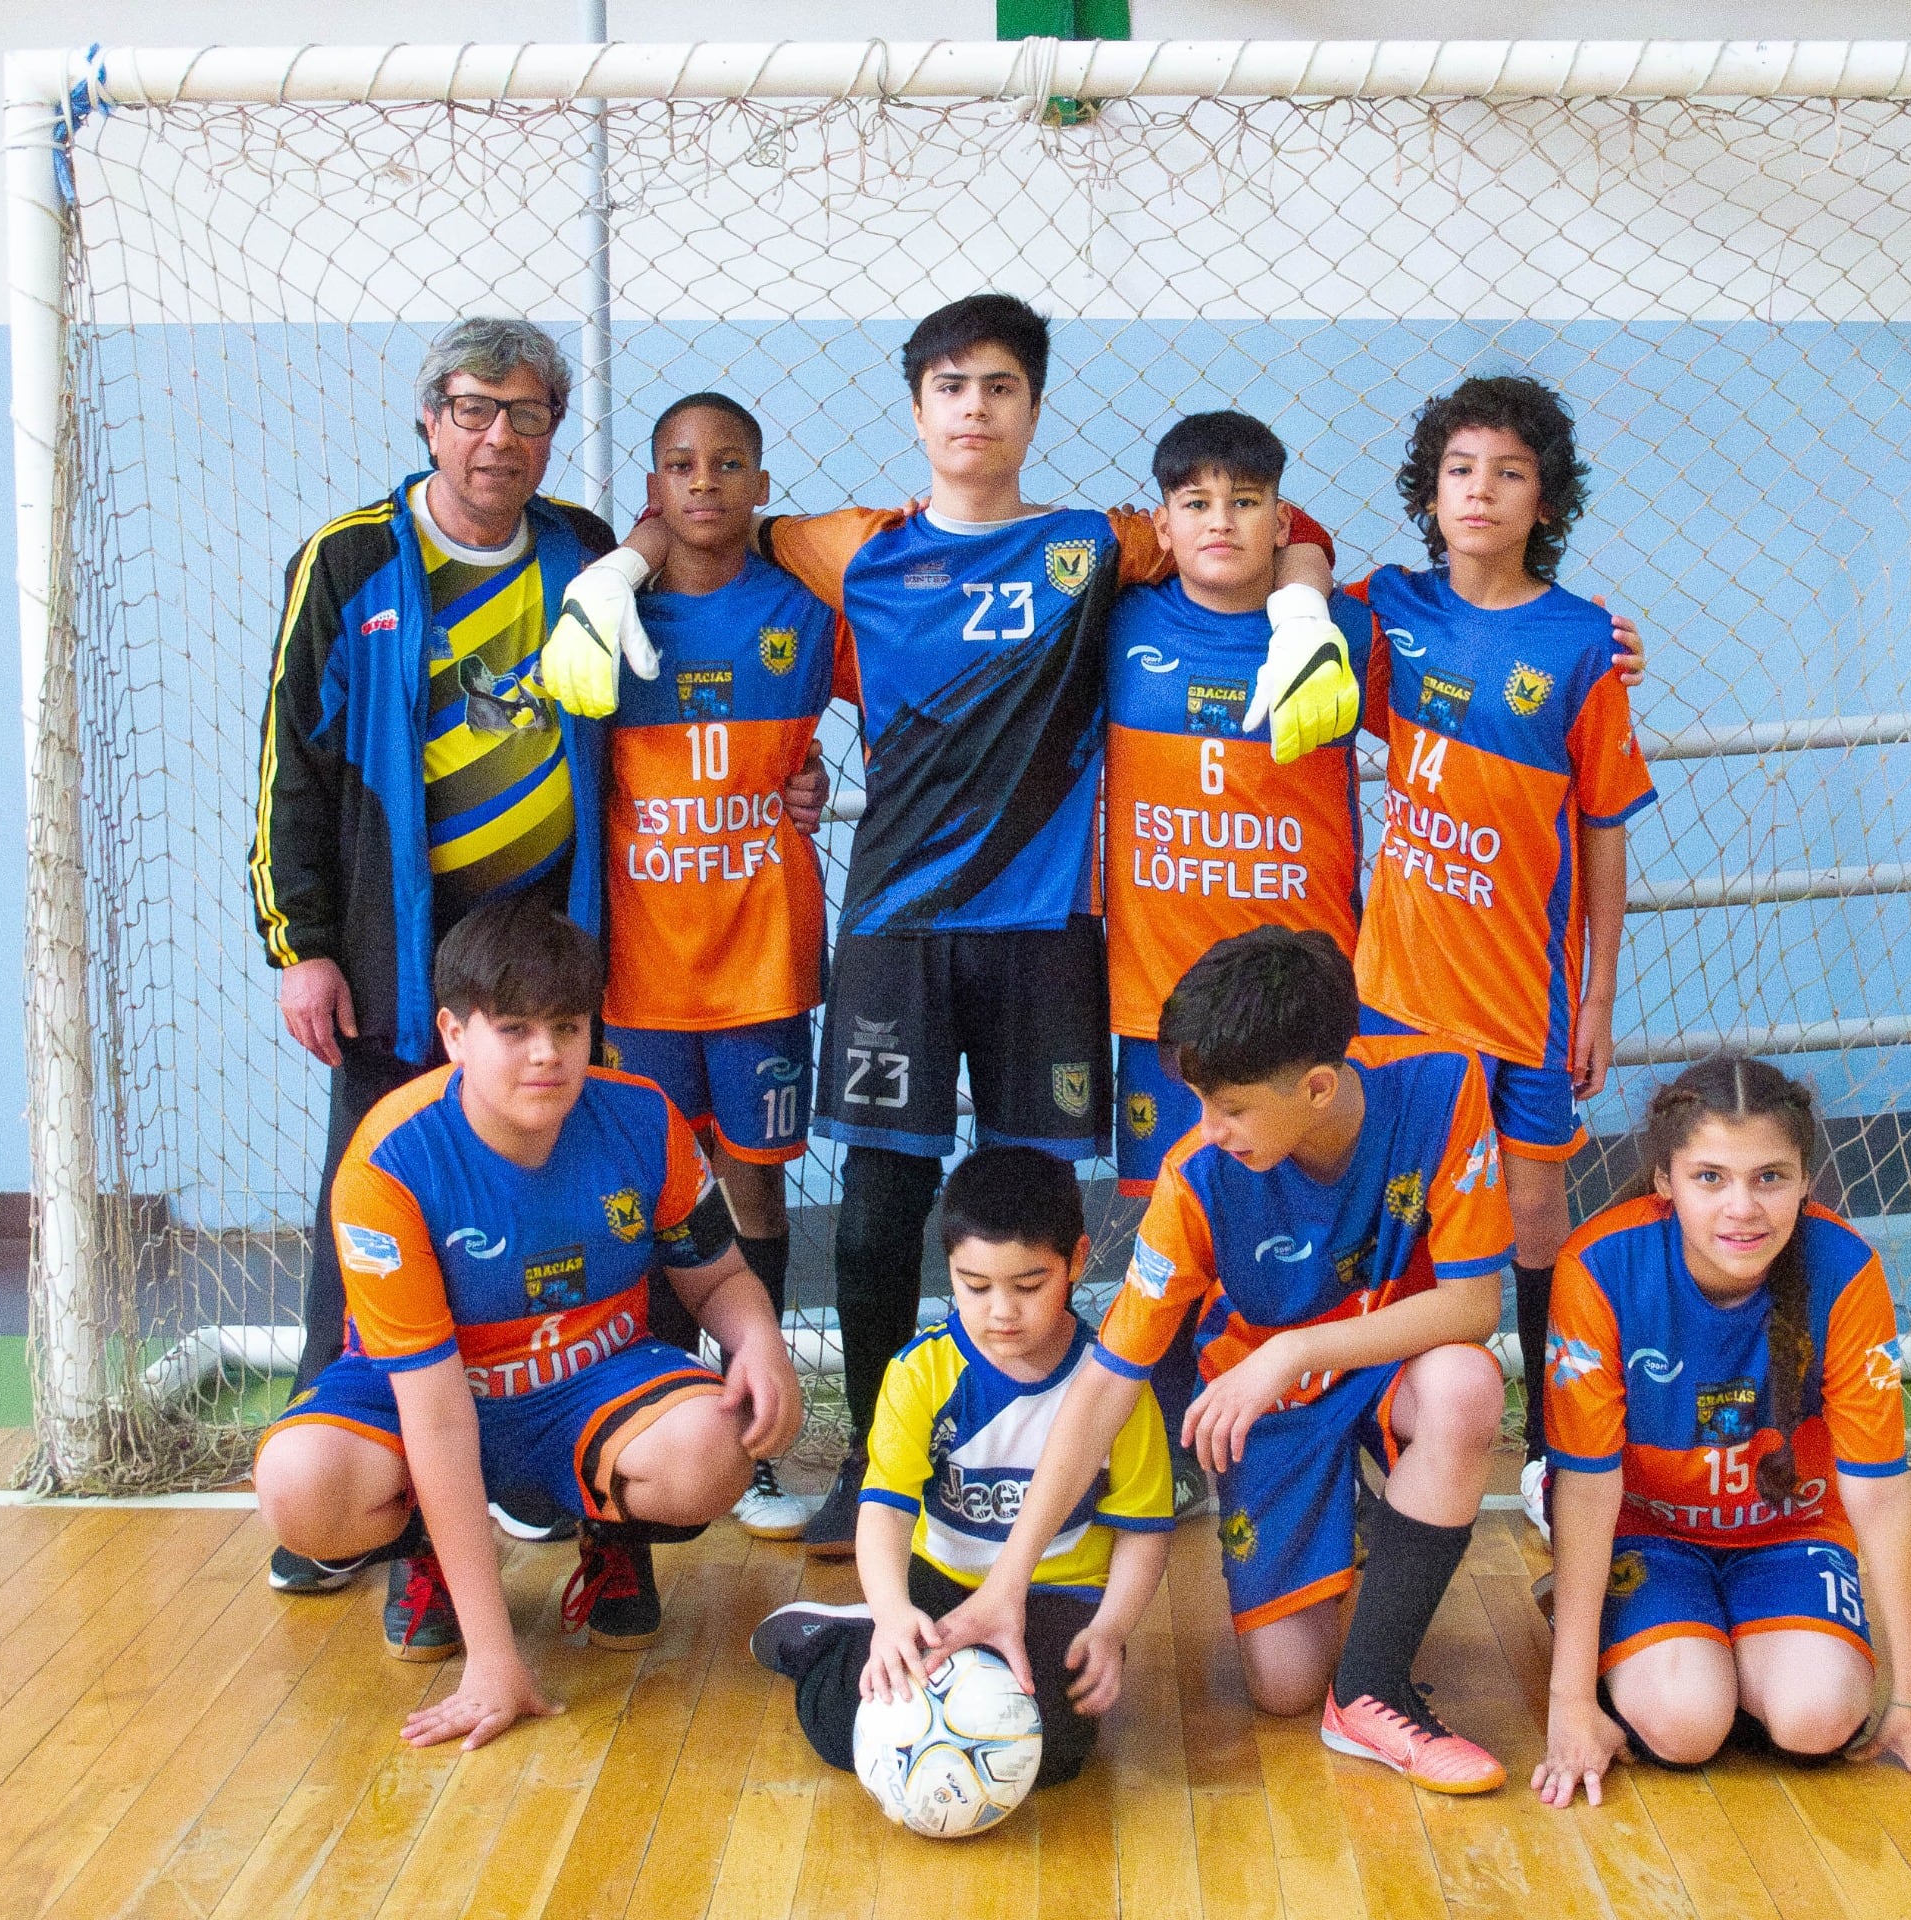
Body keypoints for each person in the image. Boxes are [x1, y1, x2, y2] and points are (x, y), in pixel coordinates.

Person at [542, 293, 1344, 1555]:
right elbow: (706, 516)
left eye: (1001, 388)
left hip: (1043, 935)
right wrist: (617, 569)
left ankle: (1048, 1456)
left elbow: (1269, 521)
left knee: (1034, 1200)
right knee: (875, 1206)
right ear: (918, 410)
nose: (976, 409)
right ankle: (879, 1463)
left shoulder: (1099, 544)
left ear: (1031, 409)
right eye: (953, 388)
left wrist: (1301, 610)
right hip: (898, 931)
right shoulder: (850, 546)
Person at [938, 926, 1518, 1791]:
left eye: (1232, 1108)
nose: (1209, 1129)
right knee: (1282, 1688)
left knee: (1467, 1384)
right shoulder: (1197, 1178)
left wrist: (1295, 1348)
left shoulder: (1442, 1086)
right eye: (1201, 1103)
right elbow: (1106, 1382)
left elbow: (1474, 1307)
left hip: (1388, 1366)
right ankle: (1366, 1541)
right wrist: (1007, 1581)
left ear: (1318, 1087)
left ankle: (1372, 1690)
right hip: (1268, 1405)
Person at [253, 894, 802, 1750]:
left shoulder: (642, 1119)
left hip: (589, 1382)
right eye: (514, 1030)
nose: (547, 1056)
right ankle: (431, 1558)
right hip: (426, 1396)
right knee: (300, 1484)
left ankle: (608, 1531)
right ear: (454, 1033)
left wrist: (760, 1341)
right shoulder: (387, 1166)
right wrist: (493, 1659)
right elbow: (435, 1414)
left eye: (568, 1028)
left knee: (716, 1446)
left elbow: (718, 1277)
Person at [249, 319, 619, 1589]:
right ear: (429, 420)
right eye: (472, 409)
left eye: (524, 414)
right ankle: (348, 1482)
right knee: (373, 1202)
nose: (497, 437)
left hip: (551, 945)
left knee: (555, 1193)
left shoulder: (584, 550)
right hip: (396, 953)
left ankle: (555, 1471)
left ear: (552, 429)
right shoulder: (349, 561)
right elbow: (288, 768)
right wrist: (301, 946)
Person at [1530, 1054, 1911, 1806]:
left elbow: (1879, 1494)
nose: (1743, 1208)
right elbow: (1589, 1492)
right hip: (1645, 1529)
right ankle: (1608, 1621)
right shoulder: (1598, 1267)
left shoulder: (1846, 1270)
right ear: (1665, 1180)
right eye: (1710, 1177)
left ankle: (1730, 1652)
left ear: (1804, 1179)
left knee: (1818, 1718)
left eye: (1770, 1177)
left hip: (1787, 1531)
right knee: (1685, 1724)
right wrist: (1569, 1705)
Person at [1348, 374, 1657, 1537]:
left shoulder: (1583, 644)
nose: (1481, 490)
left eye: (1510, 472)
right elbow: (1290, 593)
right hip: (1395, 994)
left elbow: (1603, 835)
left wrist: (1600, 999)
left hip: (1525, 997)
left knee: (1535, 1228)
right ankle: (1367, 1435)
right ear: (1430, 491)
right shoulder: (1388, 610)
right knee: (1391, 1219)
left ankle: (1544, 1453)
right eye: (1461, 468)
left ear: (1545, 501)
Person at [1100, 410, 1376, 1517]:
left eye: (1247, 503)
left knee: (1323, 1225)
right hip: (1158, 1003)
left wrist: (1603, 649)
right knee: (1172, 1222)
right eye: (1197, 504)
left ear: (1279, 516)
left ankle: (1332, 1440)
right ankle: (1175, 1445)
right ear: (1163, 522)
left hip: (1304, 1005)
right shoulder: (1116, 623)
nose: (1223, 522)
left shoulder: (1341, 628)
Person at [597, 390, 840, 1540]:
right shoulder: (607, 616)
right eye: (681, 466)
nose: (704, 483)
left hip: (760, 968)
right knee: (653, 1194)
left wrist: (835, 783)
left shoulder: (801, 613)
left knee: (750, 1186)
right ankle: (649, 1419)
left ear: (758, 487)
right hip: (638, 972)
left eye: (729, 463)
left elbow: (917, 701)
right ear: (654, 488)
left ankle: (752, 1439)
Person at [748, 1146, 1173, 1790]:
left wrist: (1110, 1631)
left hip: (1058, 1594)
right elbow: (884, 1508)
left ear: (1078, 1262)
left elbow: (1144, 1529)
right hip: (940, 1582)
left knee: (1050, 1751)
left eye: (1028, 1286)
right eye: (974, 1286)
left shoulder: (1114, 1384)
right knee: (845, 1727)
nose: (1000, 1311)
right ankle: (830, 1640)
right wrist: (893, 1613)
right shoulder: (921, 1372)